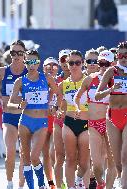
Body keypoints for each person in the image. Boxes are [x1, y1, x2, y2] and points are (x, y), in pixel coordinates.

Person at [95, 42, 127, 189]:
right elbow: (98, 95)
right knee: (117, 160)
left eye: (126, 55)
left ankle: (125, 186)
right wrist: (110, 89)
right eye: (121, 55)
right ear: (117, 56)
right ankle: (124, 180)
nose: (124, 58)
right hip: (112, 117)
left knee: (126, 156)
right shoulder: (111, 71)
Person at [8, 50, 58, 189]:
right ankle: (31, 187)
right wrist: (18, 105)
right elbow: (10, 103)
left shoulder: (46, 78)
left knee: (35, 157)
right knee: (26, 158)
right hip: (25, 121)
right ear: (25, 63)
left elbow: (59, 94)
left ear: (38, 62)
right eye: (28, 61)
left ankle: (41, 184)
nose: (31, 64)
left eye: (34, 61)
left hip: (41, 121)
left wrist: (53, 105)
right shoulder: (20, 81)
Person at [75, 50, 116, 189]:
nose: (104, 66)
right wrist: (79, 109)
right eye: (101, 63)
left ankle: (108, 186)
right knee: (97, 164)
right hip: (93, 124)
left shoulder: (118, 81)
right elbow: (77, 97)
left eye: (107, 64)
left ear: (113, 64)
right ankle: (100, 183)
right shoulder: (90, 79)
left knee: (112, 161)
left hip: (111, 123)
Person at [0, 40, 27, 189]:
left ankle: (21, 184)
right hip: (9, 116)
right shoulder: (3, 71)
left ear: (24, 54)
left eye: (19, 53)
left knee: (25, 154)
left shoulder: (30, 72)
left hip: (26, 116)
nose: (16, 56)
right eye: (13, 53)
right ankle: (9, 182)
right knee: (10, 151)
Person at [57, 50, 89, 189]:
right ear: (67, 64)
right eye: (71, 63)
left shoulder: (88, 80)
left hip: (85, 124)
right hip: (69, 123)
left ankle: (79, 178)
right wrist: (59, 111)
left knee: (83, 162)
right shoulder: (63, 84)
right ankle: (70, 187)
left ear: (82, 63)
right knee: (69, 158)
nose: (74, 65)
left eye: (77, 62)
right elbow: (61, 106)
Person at [53, 49, 71, 189]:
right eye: (62, 60)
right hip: (59, 122)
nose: (65, 63)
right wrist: (55, 110)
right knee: (59, 156)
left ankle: (76, 183)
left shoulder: (82, 77)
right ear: (59, 62)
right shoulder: (55, 81)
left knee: (74, 158)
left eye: (68, 60)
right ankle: (59, 186)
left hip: (76, 121)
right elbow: (50, 103)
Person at [42, 57, 59, 188]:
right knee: (46, 154)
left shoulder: (60, 81)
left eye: (54, 66)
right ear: (43, 68)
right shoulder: (40, 81)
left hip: (56, 120)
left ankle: (59, 180)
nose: (51, 68)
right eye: (48, 66)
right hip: (43, 120)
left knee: (53, 153)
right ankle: (51, 182)